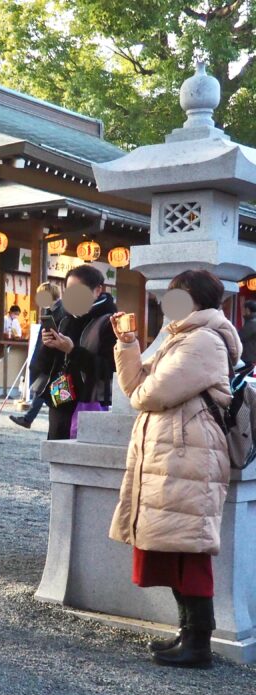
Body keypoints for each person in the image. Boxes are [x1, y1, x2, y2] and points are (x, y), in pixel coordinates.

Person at [109, 269, 240, 668]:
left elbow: (152, 394)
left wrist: (145, 375)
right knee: (174, 547)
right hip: (174, 456)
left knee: (190, 549)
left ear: (196, 300)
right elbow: (134, 388)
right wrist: (128, 345)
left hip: (190, 457)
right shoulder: (179, 337)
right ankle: (187, 634)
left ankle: (199, 643)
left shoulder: (202, 340)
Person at [36, 265, 117, 440]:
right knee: (57, 455)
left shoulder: (110, 323)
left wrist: (72, 351)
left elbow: (109, 370)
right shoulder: (64, 318)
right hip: (61, 399)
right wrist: (48, 346)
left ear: (97, 290)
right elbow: (44, 366)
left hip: (90, 403)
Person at [11, 284, 64, 430]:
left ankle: (33, 419)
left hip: (54, 358)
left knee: (46, 390)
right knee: (45, 390)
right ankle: (33, 419)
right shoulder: (50, 310)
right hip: (47, 357)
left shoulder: (62, 311)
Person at [239, 299, 256, 366]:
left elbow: (239, 337)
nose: (243, 311)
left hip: (249, 358)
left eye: (244, 309)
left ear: (248, 310)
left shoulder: (252, 323)